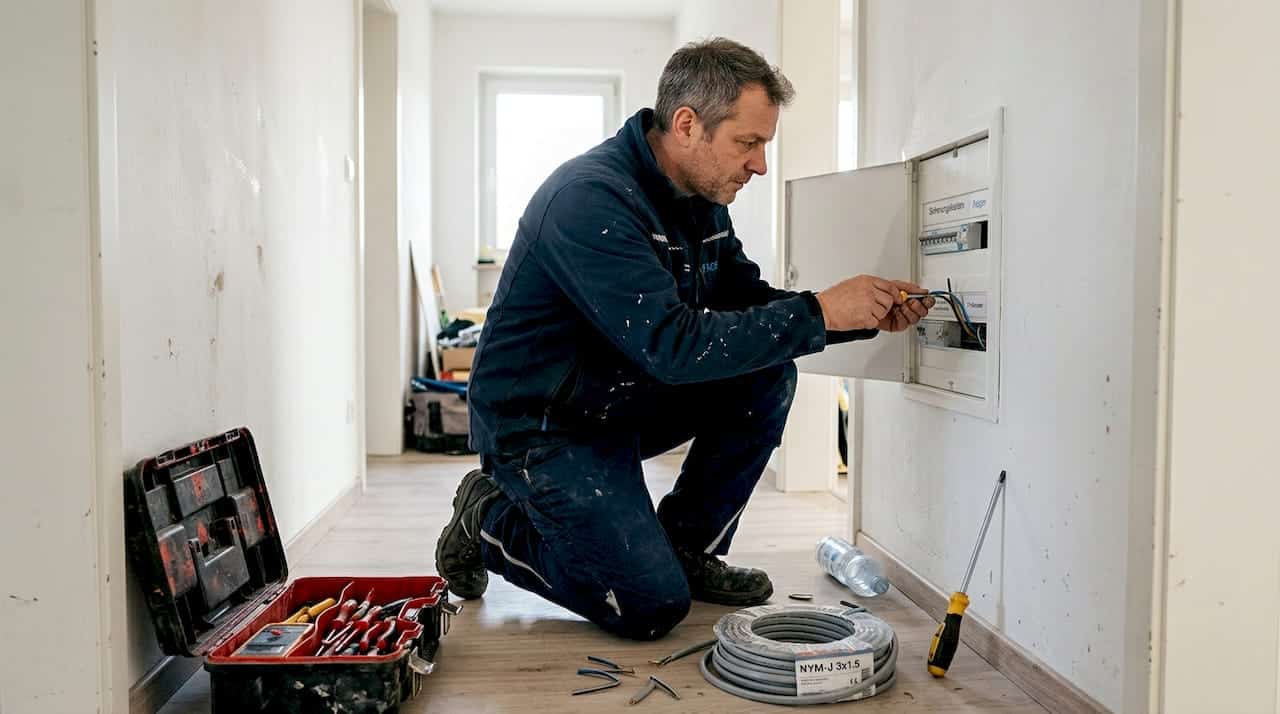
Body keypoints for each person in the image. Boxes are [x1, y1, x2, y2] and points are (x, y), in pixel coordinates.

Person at [435, 37, 933, 641]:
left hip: (623, 395)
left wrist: (858, 314)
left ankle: (686, 547)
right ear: (688, 124)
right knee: (647, 607)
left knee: (768, 370)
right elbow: (674, 345)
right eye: (747, 143)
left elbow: (746, 303)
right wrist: (821, 310)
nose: (759, 165)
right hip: (544, 425)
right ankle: (486, 517)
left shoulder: (699, 198)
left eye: (763, 145)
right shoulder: (588, 200)